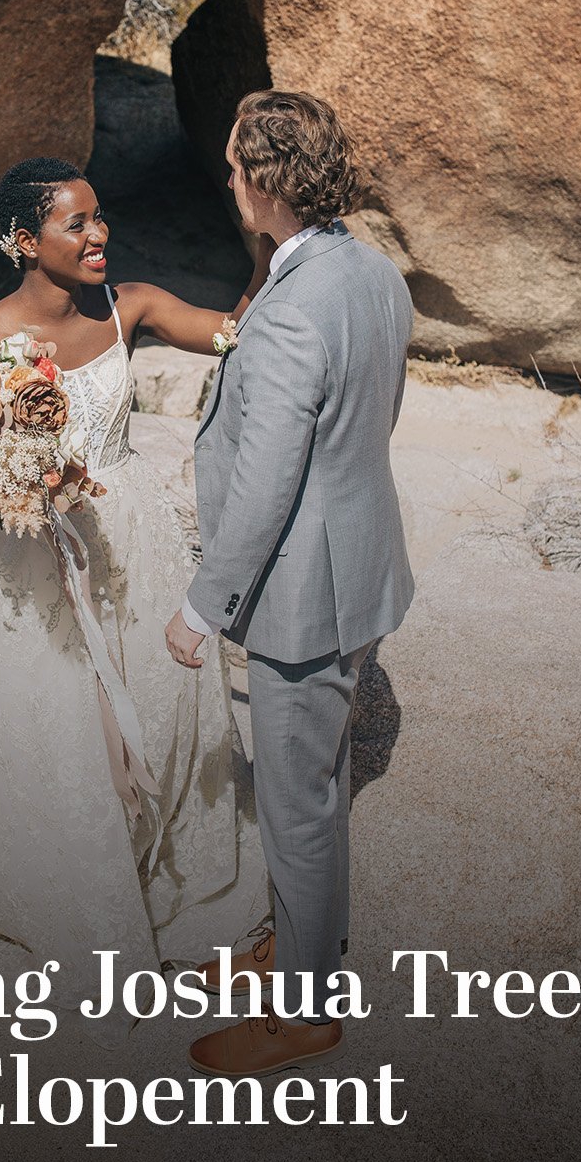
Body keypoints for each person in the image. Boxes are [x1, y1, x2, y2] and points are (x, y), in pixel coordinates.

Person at [0, 156, 272, 1037]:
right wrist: (18, 485)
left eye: (100, 218)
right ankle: (90, 915)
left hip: (135, 538)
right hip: (34, 559)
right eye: (76, 224)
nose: (98, 236)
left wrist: (266, 247)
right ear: (25, 240)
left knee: (168, 708)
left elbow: (233, 332)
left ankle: (177, 890)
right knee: (60, 724)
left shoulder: (130, 305)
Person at [164, 90, 415, 1077]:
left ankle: (304, 1008)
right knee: (313, 780)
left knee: (298, 799)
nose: (225, 183)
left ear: (266, 184)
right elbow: (369, 419)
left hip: (302, 589)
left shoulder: (290, 311)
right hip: (358, 559)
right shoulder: (372, 272)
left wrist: (202, 603)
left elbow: (270, 480)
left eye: (232, 170)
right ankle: (290, 948)